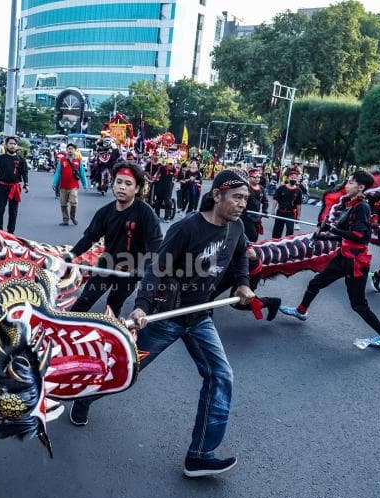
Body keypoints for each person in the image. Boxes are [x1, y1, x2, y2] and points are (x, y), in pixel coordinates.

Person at [71, 169, 255, 478]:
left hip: (200, 318)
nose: (242, 205)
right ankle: (85, 395)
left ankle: (199, 455)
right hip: (166, 316)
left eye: (246, 199)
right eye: (236, 197)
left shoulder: (236, 227)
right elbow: (157, 270)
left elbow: (239, 255)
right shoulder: (186, 229)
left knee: (221, 375)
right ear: (217, 196)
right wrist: (142, 306)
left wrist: (242, 284)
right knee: (125, 370)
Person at [279, 171, 380, 348]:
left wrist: (331, 229)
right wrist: (323, 237)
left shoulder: (361, 207)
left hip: (356, 262)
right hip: (344, 256)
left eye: (350, 183)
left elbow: (359, 236)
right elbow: (346, 237)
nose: (347, 186)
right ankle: (301, 311)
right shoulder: (352, 205)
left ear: (361, 187)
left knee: (358, 304)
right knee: (315, 283)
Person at [66, 161, 162, 316]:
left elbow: (156, 244)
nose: (122, 187)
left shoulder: (146, 213)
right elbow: (89, 238)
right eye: (118, 182)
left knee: (113, 305)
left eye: (128, 183)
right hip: (106, 264)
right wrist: (70, 255)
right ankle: (66, 331)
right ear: (113, 184)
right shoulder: (105, 212)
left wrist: (143, 268)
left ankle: (108, 336)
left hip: (131, 270)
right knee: (84, 300)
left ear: (137, 188)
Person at [0, 136, 28, 234]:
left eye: (14, 144)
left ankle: (11, 232)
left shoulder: (21, 159)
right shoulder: (0, 158)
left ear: (17, 146)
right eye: (10, 143)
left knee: (13, 212)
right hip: (2, 187)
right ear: (6, 145)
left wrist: (26, 184)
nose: (13, 145)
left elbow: (24, 172)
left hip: (15, 188)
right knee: (0, 209)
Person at [52, 143, 88, 226]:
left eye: (72, 149)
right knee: (63, 203)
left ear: (75, 150)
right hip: (63, 186)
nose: (70, 150)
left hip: (74, 186)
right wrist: (54, 183)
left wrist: (85, 185)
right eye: (69, 149)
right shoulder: (62, 160)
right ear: (66, 150)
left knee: (74, 202)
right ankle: (65, 220)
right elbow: (58, 172)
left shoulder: (78, 161)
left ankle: (72, 216)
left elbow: (82, 174)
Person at [271, 172, 303, 238]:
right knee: (277, 231)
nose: (293, 179)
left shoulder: (298, 191)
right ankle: (274, 244)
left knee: (290, 231)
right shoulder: (281, 188)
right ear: (288, 178)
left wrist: (299, 215)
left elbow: (299, 204)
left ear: (297, 180)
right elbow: (276, 199)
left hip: (290, 214)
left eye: (295, 178)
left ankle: (287, 245)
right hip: (280, 212)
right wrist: (273, 210)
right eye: (292, 178)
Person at [242, 168, 268, 242]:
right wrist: (243, 208)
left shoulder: (261, 188)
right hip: (246, 215)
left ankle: (252, 250)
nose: (257, 179)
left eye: (258, 177)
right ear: (249, 178)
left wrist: (264, 210)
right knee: (251, 235)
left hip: (256, 216)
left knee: (256, 235)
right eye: (255, 177)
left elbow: (265, 201)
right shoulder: (245, 188)